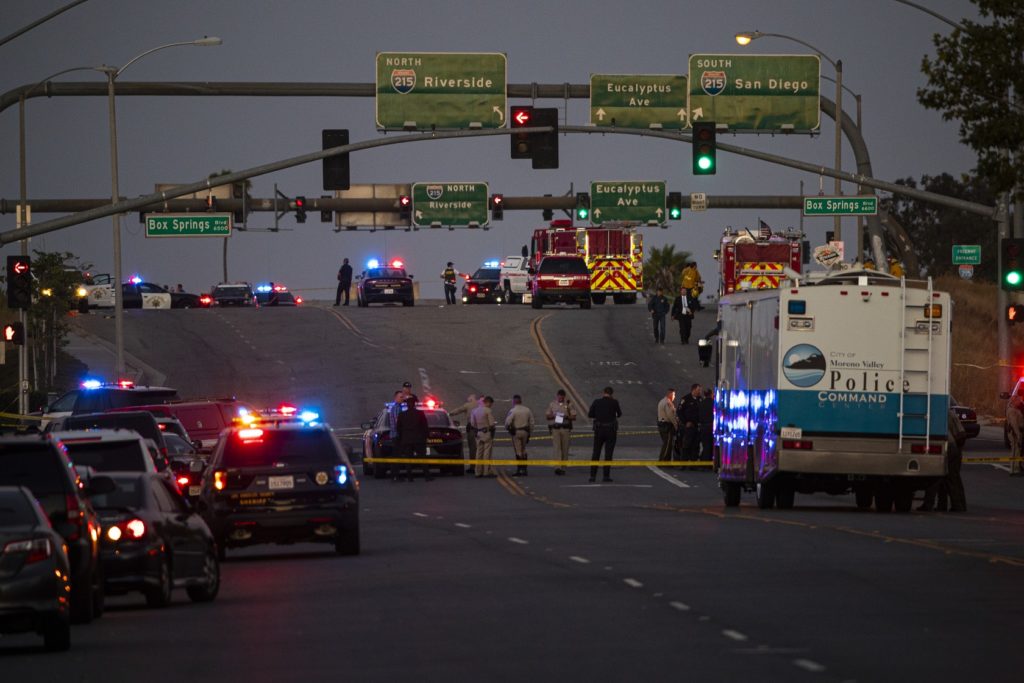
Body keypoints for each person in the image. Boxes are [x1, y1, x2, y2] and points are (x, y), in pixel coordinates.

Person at [587, 386, 621, 483]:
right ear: (612, 393)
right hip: (610, 430)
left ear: (603, 392)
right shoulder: (614, 402)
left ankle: (592, 476)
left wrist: (598, 414)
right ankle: (606, 476)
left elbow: (590, 414)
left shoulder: (597, 402)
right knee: (608, 454)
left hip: (599, 429)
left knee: (596, 452)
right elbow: (619, 414)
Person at [394, 396, 432, 482]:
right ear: (414, 404)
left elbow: (398, 428)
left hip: (406, 440)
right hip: (419, 440)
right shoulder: (420, 413)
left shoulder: (402, 415)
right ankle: (427, 476)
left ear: (407, 405)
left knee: (408, 459)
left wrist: (401, 438)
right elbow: (425, 427)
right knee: (423, 458)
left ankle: (410, 477)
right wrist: (426, 436)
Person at [545, 389, 576, 475]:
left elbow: (574, 417)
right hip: (556, 428)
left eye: (562, 397)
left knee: (565, 448)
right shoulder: (552, 404)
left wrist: (566, 416)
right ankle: (557, 467)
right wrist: (553, 415)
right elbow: (547, 416)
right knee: (557, 448)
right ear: (557, 396)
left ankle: (563, 466)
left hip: (565, 428)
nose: (560, 398)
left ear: (564, 397)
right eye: (559, 396)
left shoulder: (569, 404)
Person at [504, 394, 535, 476]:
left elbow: (507, 422)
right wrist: (530, 432)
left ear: (514, 401)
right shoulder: (527, 410)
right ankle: (524, 469)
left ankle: (519, 469)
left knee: (518, 450)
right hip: (525, 431)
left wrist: (509, 429)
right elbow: (532, 422)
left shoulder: (513, 411)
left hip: (516, 432)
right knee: (524, 449)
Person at [449, 394, 479, 474]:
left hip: (472, 428)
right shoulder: (480, 405)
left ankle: (473, 467)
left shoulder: (468, 405)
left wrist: (449, 414)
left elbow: (458, 410)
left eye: (469, 397)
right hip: (483, 429)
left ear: (472, 399)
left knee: (473, 448)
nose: (467, 399)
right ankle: (483, 466)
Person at [470, 396, 496, 477]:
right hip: (486, 433)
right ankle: (486, 471)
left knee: (479, 452)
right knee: (487, 453)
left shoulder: (474, 411)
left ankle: (478, 471)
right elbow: (492, 424)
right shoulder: (488, 410)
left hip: (478, 433)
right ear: (488, 402)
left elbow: (472, 424)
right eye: (491, 404)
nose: (491, 405)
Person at [676, 383, 702, 461]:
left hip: (696, 426)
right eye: (698, 390)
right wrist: (685, 422)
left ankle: (693, 463)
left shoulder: (700, 399)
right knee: (686, 445)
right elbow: (679, 411)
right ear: (693, 390)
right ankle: (684, 463)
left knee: (695, 445)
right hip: (688, 427)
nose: (700, 392)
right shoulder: (686, 399)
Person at [657, 388, 679, 462]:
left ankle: (663, 459)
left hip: (661, 424)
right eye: (674, 394)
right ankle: (664, 460)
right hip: (667, 426)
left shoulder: (662, 401)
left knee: (666, 443)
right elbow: (670, 415)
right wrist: (676, 425)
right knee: (668, 444)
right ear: (670, 394)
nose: (674, 396)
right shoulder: (668, 403)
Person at [1007, 395, 1024, 477]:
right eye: (1018, 401)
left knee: (1017, 450)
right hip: (1014, 433)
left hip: (1017, 432)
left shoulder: (1016, 410)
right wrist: (1018, 434)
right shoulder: (1012, 410)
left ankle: (1016, 468)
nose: (1020, 402)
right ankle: (1013, 470)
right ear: (1014, 401)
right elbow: (1014, 424)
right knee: (1014, 451)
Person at [698, 387, 715, 465]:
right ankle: (709, 463)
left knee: (705, 445)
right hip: (712, 426)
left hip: (703, 427)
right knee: (711, 445)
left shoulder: (701, 403)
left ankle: (704, 463)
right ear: (711, 394)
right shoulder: (714, 403)